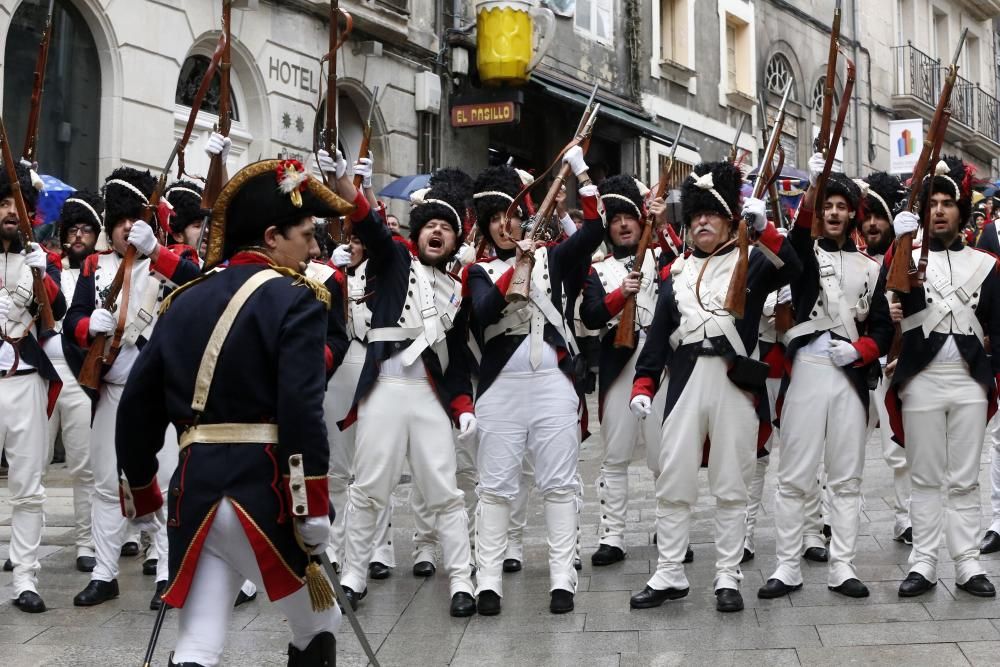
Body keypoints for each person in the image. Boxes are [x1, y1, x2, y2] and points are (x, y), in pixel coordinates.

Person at [115, 158, 351, 665]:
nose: (314, 249)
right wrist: (310, 504)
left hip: (194, 494)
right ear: (271, 236)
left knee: (198, 638)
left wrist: (142, 488)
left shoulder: (182, 299)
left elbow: (136, 406)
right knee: (322, 620)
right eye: (306, 235)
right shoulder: (299, 299)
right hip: (263, 494)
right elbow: (301, 410)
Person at [629, 161, 800, 613]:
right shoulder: (675, 274)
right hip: (685, 383)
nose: (702, 221)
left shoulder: (755, 262)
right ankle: (669, 572)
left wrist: (766, 231)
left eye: (712, 214)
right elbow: (658, 337)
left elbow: (797, 272)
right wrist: (644, 384)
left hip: (734, 384)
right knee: (674, 480)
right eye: (696, 215)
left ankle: (727, 576)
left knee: (731, 484)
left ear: (729, 220)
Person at [330, 153, 478, 618]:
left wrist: (463, 404)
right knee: (369, 486)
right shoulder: (395, 261)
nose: (437, 232)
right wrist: (347, 181)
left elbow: (455, 364)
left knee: (444, 491)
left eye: (446, 228)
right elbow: (368, 224)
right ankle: (353, 574)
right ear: (417, 233)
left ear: (456, 241)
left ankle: (462, 579)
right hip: (385, 388)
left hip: (428, 398)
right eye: (430, 225)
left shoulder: (457, 289)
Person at [466, 150, 604, 616]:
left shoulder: (553, 258)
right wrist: (514, 269)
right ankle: (487, 580)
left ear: (525, 217)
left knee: (560, 485)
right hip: (502, 386)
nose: (504, 226)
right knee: (495, 486)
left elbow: (594, 231)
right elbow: (484, 313)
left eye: (511, 216)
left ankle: (563, 577)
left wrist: (582, 172)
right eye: (494, 220)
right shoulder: (480, 271)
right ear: (485, 228)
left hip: (553, 380)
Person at [65, 167, 201, 610]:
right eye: (120, 218)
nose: (126, 226)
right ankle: (105, 573)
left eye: (133, 217)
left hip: (158, 393)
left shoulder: (168, 262)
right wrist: (89, 325)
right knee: (106, 484)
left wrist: (155, 251)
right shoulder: (94, 267)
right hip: (111, 390)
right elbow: (72, 324)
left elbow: (198, 287)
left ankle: (167, 572)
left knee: (161, 484)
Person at [759, 157, 892, 601]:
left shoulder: (872, 268)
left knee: (847, 477)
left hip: (849, 374)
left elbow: (881, 328)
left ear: (853, 213)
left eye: (842, 206)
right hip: (810, 369)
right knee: (795, 474)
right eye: (828, 206)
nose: (834, 213)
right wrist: (813, 184)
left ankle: (843, 566)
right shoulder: (805, 256)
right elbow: (794, 238)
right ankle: (787, 564)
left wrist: (861, 350)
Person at [883, 156, 1000, 598]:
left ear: (960, 210)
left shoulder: (986, 264)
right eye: (931, 203)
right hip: (921, 377)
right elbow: (883, 312)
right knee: (925, 476)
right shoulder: (903, 256)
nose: (938, 211)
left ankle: (967, 562)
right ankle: (923, 562)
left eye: (946, 203)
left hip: (970, 377)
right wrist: (894, 300)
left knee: (965, 478)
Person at [579, 175, 666, 566]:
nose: (624, 225)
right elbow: (591, 315)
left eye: (630, 217)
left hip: (661, 364)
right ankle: (612, 535)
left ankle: (670, 530)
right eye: (616, 220)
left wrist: (661, 229)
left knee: (664, 456)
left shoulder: (661, 256)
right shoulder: (597, 272)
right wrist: (621, 295)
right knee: (615, 456)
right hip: (619, 364)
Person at [0, 162, 67, 613]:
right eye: (4, 203)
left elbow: (57, 312)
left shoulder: (41, 259)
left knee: (29, 488)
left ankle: (25, 577)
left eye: (17, 204)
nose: (10, 212)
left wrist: (43, 275)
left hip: (25, 383)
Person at [49, 192, 104, 574]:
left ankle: (86, 542)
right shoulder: (47, 268)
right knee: (30, 467)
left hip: (79, 376)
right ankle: (24, 548)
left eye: (86, 229)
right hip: (41, 377)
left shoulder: (99, 272)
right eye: (73, 229)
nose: (79, 236)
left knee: (84, 467)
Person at [859, 171, 911, 545]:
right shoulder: (853, 257)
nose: (873, 223)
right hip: (857, 359)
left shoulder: (903, 256)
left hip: (891, 360)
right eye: (868, 216)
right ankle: (828, 521)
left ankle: (906, 518)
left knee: (899, 447)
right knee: (843, 446)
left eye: (879, 216)